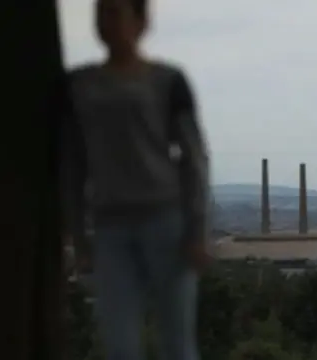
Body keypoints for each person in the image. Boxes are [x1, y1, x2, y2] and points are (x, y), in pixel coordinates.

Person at [59, 0, 210, 359]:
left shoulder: (167, 81)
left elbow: (194, 157)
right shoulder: (78, 86)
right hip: (110, 228)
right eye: (100, 13)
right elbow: (72, 164)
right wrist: (78, 236)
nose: (106, 22)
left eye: (115, 12)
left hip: (166, 223)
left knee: (177, 345)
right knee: (121, 347)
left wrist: (197, 231)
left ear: (141, 21)